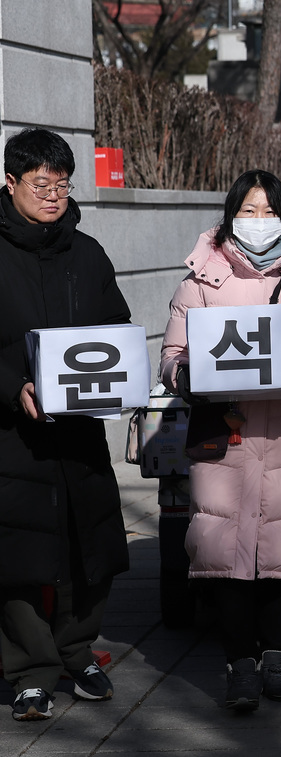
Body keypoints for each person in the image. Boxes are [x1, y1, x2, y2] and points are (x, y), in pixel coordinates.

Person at [160, 169, 281, 711]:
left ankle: (275, 661)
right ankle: (238, 666)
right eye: (248, 211)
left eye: (269, 211)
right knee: (223, 549)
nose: (259, 221)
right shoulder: (199, 280)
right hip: (224, 434)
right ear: (231, 215)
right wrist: (183, 377)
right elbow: (173, 354)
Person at [0, 128, 131, 721]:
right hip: (14, 435)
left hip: (79, 431)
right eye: (41, 184)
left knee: (90, 542)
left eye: (63, 185)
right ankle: (30, 671)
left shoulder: (88, 253)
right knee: (19, 553)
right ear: (11, 182)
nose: (54, 196)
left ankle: (77, 652)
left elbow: (116, 324)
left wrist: (121, 378)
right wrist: (12, 387)